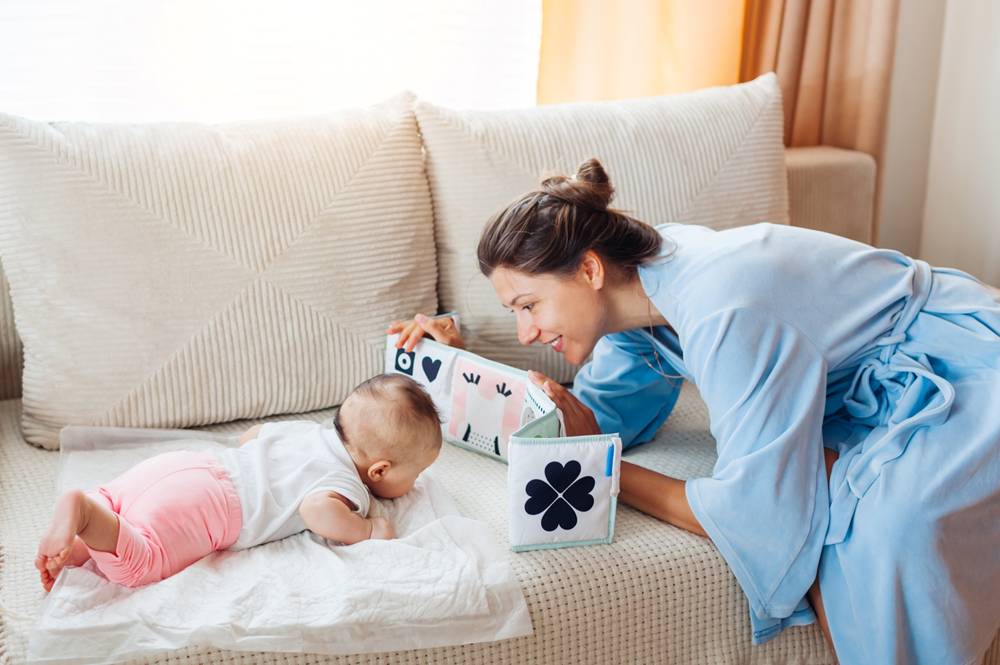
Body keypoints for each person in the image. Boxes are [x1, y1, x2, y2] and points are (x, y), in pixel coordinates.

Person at [388, 159, 1000, 664]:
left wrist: (601, 472)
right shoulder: (635, 302)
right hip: (871, 386)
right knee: (837, 497)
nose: (525, 332)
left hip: (965, 367)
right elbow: (598, 419)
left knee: (890, 527)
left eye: (529, 306)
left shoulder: (723, 306)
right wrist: (459, 366)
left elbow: (756, 514)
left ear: (590, 269)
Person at [35, 374, 442, 590]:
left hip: (192, 465)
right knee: (141, 564)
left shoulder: (309, 432)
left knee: (120, 505)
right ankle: (84, 512)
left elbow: (253, 436)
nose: (415, 483)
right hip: (214, 505)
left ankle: (82, 538)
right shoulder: (347, 483)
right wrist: (368, 530)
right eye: (416, 473)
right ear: (379, 470)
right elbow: (316, 510)